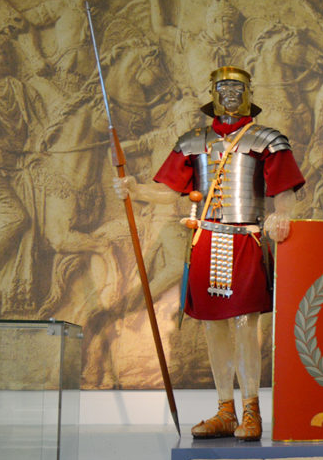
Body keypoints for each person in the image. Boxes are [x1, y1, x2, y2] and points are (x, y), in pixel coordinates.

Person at [118, 66, 303, 440]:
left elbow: (284, 189)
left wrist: (282, 216)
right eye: (223, 87)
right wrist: (134, 189)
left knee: (245, 325)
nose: (230, 93)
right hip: (204, 240)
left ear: (248, 93)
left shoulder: (267, 140)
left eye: (237, 86)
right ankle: (225, 412)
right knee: (213, 326)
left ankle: (251, 411)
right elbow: (168, 191)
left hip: (246, 240)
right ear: (212, 95)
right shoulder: (192, 142)